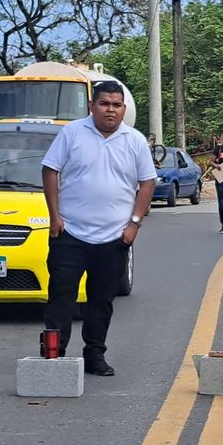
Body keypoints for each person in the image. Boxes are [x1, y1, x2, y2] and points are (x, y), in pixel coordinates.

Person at [41, 81, 156, 376]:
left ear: (124, 110)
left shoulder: (135, 140)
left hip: (114, 238)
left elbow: (147, 183)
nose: (111, 110)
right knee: (61, 296)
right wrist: (54, 216)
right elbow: (50, 169)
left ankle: (94, 355)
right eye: (105, 103)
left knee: (101, 301)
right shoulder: (72, 133)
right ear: (92, 106)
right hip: (70, 234)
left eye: (117, 105)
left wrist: (134, 225)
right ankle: (54, 354)